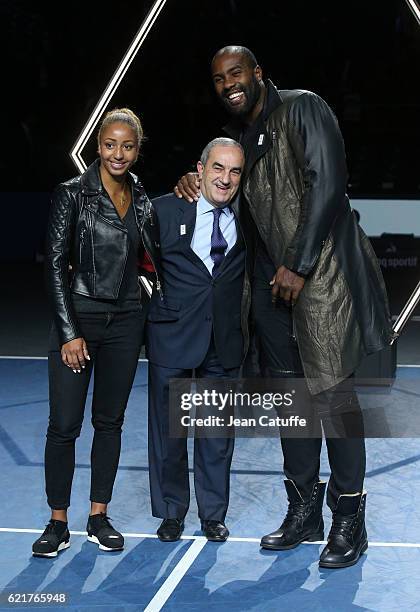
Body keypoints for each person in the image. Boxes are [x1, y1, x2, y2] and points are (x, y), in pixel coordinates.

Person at [175, 46, 393, 568]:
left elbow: (328, 184)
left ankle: (348, 521)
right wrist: (193, 183)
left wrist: (297, 262)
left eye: (237, 73)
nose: (229, 83)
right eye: (219, 78)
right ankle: (304, 513)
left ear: (258, 74)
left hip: (321, 281)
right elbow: (230, 193)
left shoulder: (303, 107)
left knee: (335, 402)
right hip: (270, 291)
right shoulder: (243, 140)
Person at [32, 108, 160, 557]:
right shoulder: (72, 194)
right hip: (79, 320)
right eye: (110, 145)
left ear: (137, 149)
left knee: (109, 422)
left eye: (127, 146)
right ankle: (57, 522)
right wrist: (69, 331)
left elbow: (150, 255)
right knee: (64, 425)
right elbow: (52, 263)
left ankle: (98, 515)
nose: (118, 154)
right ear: (98, 147)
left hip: (127, 322)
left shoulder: (141, 196)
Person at [147, 137, 249, 543]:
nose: (225, 179)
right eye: (218, 168)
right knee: (168, 433)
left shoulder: (249, 218)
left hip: (222, 340)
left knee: (217, 434)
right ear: (200, 169)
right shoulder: (163, 209)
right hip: (172, 333)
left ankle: (212, 514)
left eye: (235, 171)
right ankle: (172, 513)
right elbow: (137, 268)